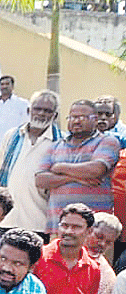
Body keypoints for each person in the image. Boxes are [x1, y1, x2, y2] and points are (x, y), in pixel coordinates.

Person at [36, 99, 120, 232]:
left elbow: (96, 170)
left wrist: (59, 168)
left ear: (95, 119)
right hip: (59, 226)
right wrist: (75, 178)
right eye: (73, 117)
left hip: (94, 229)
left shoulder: (107, 142)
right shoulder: (55, 146)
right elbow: (40, 180)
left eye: (83, 117)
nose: (76, 121)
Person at [0, 90, 61, 230]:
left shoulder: (60, 142)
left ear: (55, 115)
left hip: (39, 223)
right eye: (37, 109)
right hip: (7, 221)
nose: (41, 114)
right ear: (28, 110)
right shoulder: (12, 136)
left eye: (47, 111)